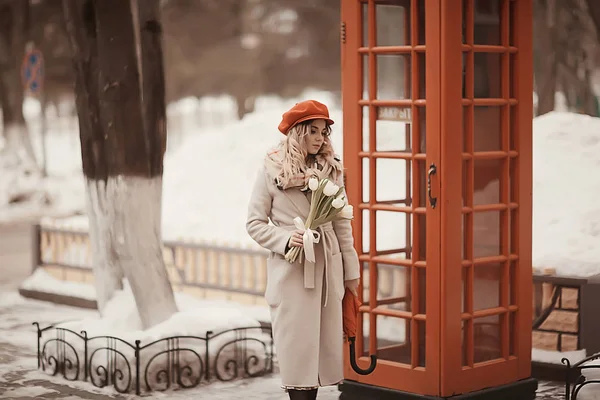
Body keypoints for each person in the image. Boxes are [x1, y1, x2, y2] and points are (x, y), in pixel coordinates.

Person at [246, 100, 360, 400]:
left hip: (327, 275)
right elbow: (254, 223)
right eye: (313, 131)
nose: (321, 138)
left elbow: (341, 226)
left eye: (324, 131)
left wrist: (351, 276)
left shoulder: (332, 170)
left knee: (322, 360)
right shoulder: (272, 169)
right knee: (298, 364)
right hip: (292, 275)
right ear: (298, 132)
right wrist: (285, 239)